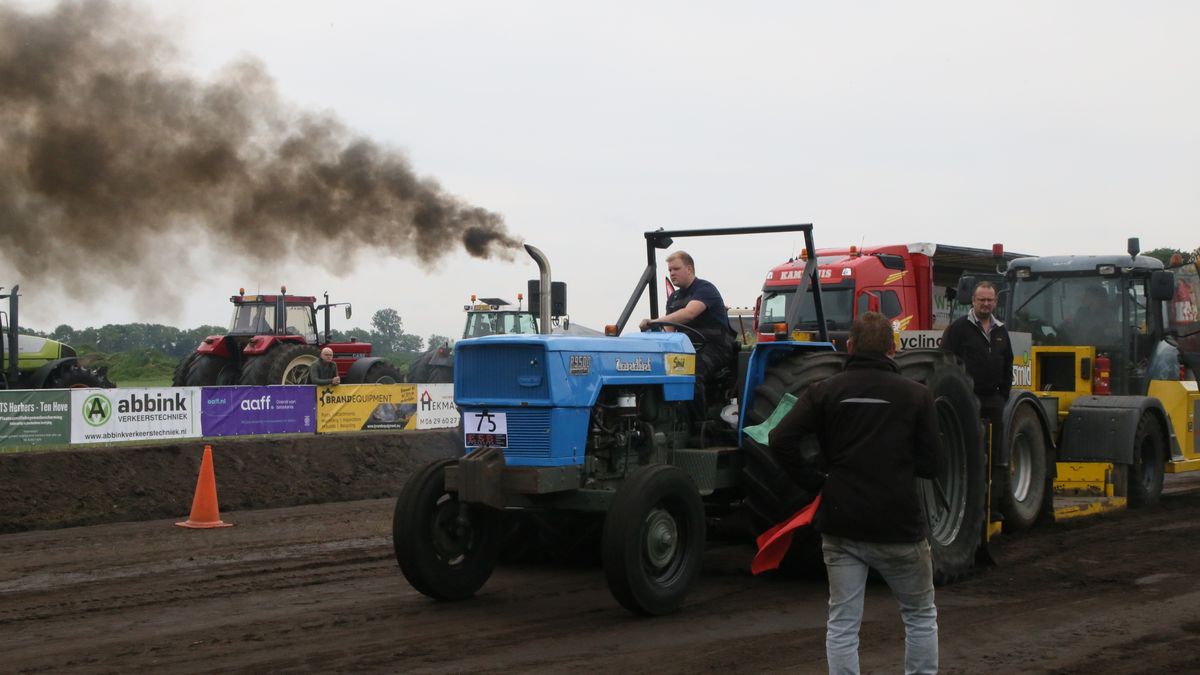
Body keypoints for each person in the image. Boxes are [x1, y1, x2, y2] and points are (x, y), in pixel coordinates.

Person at [768, 311, 941, 675]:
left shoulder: (824, 391)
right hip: (898, 525)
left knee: (843, 622)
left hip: (841, 522)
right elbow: (932, 465)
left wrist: (817, 482)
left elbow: (780, 439)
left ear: (849, 347)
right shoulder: (917, 395)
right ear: (893, 349)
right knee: (920, 616)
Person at [941, 280, 1012, 522]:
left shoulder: (1001, 331)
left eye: (989, 299)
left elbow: (1008, 365)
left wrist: (1003, 395)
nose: (985, 303)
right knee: (969, 453)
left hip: (993, 401)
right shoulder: (958, 329)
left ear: (995, 302)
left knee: (994, 455)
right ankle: (969, 509)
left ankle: (991, 508)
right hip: (967, 400)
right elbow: (946, 362)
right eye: (981, 299)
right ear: (972, 302)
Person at [639, 250, 735, 385]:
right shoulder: (673, 298)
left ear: (689, 269)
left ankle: (692, 406)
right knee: (657, 369)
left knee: (690, 374)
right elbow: (668, 331)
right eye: (670, 270)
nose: (672, 273)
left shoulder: (705, 289)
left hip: (714, 347)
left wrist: (653, 322)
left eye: (676, 269)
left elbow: (689, 313)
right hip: (688, 349)